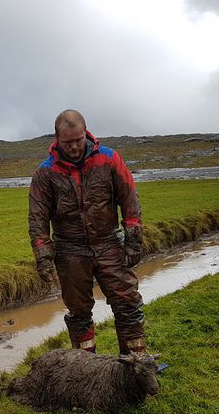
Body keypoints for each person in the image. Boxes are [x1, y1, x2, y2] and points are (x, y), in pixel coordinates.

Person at [28, 109, 147, 355]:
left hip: (109, 243)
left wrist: (133, 239)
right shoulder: (45, 172)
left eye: (78, 140)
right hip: (70, 249)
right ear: (56, 138)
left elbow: (129, 198)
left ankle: (136, 366)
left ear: (87, 133)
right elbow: (37, 217)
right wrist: (43, 256)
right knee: (79, 313)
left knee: (127, 304)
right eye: (67, 142)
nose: (73, 146)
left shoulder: (109, 158)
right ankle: (85, 370)